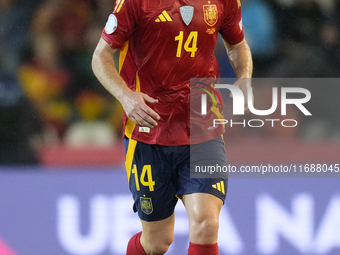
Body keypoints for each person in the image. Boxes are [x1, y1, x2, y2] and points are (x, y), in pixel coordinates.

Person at [92, 0, 253, 253]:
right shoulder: (135, 3)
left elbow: (237, 44)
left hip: (203, 126)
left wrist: (244, 77)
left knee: (207, 224)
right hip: (149, 130)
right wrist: (125, 96)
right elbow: (100, 56)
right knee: (157, 242)